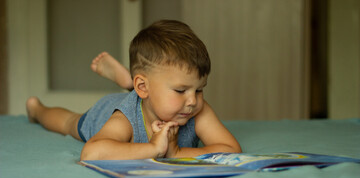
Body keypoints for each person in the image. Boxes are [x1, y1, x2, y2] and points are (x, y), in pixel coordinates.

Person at [26, 20, 241, 160]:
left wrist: (178, 153)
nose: (193, 100)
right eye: (180, 90)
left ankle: (129, 81)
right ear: (144, 87)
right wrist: (153, 149)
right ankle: (37, 109)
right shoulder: (125, 118)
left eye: (200, 90)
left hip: (146, 94)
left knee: (156, 93)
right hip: (106, 112)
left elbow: (231, 150)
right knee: (70, 122)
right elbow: (91, 153)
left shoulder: (194, 109)